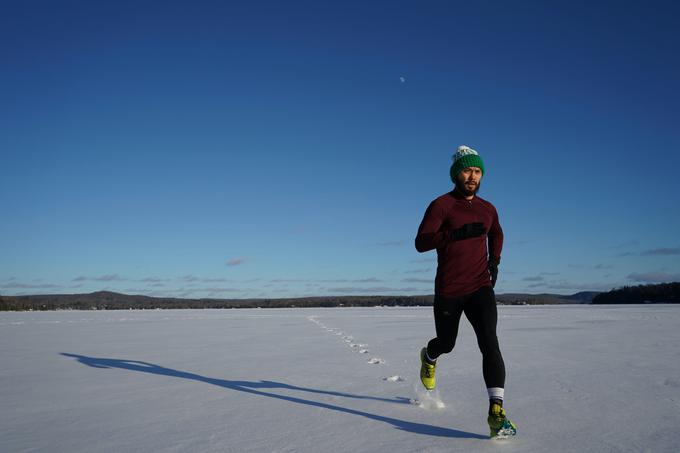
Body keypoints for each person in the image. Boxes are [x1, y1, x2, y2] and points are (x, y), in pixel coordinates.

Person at [414, 145, 516, 438]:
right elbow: (421, 242)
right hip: (449, 289)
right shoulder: (441, 205)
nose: (473, 176)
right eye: (467, 170)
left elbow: (497, 231)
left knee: (490, 342)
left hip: (480, 286)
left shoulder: (488, 209)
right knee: (447, 343)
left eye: (477, 171)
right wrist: (453, 235)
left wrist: (494, 260)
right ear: (456, 174)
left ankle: (496, 411)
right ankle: (429, 357)